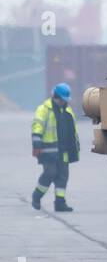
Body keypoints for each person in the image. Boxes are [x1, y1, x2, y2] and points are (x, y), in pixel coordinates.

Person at [31, 82, 80, 212]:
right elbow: (37, 126)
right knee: (50, 173)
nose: (62, 102)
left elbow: (73, 132)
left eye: (64, 100)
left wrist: (75, 147)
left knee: (63, 175)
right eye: (61, 100)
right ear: (55, 97)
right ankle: (37, 195)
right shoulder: (44, 109)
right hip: (48, 150)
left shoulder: (67, 110)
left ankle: (60, 202)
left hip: (64, 151)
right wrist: (36, 144)